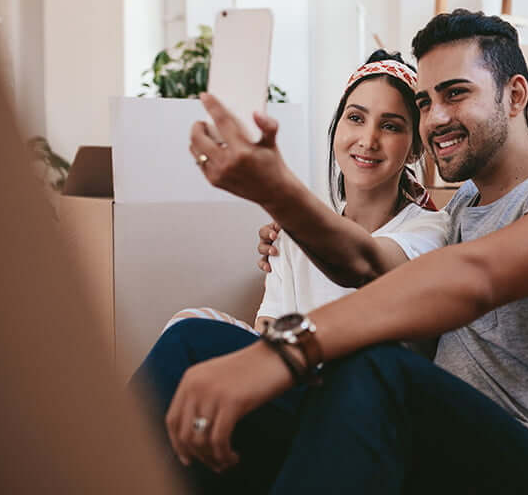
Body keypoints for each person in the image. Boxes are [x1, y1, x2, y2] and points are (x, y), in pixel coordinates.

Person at [132, 9, 528, 494]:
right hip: (429, 448)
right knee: (193, 344)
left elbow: (474, 277)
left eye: (455, 94)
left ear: (514, 95)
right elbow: (366, 264)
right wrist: (277, 198)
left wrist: (288, 350)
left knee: (373, 366)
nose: (436, 118)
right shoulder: (461, 209)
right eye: (424, 102)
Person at [161, 50, 449, 336]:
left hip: (364, 378)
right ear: (337, 127)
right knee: (187, 323)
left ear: (415, 149)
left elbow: (364, 262)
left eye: (390, 126)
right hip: (286, 370)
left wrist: (274, 190)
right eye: (356, 118)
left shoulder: (432, 230)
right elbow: (267, 327)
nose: (368, 139)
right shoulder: (292, 234)